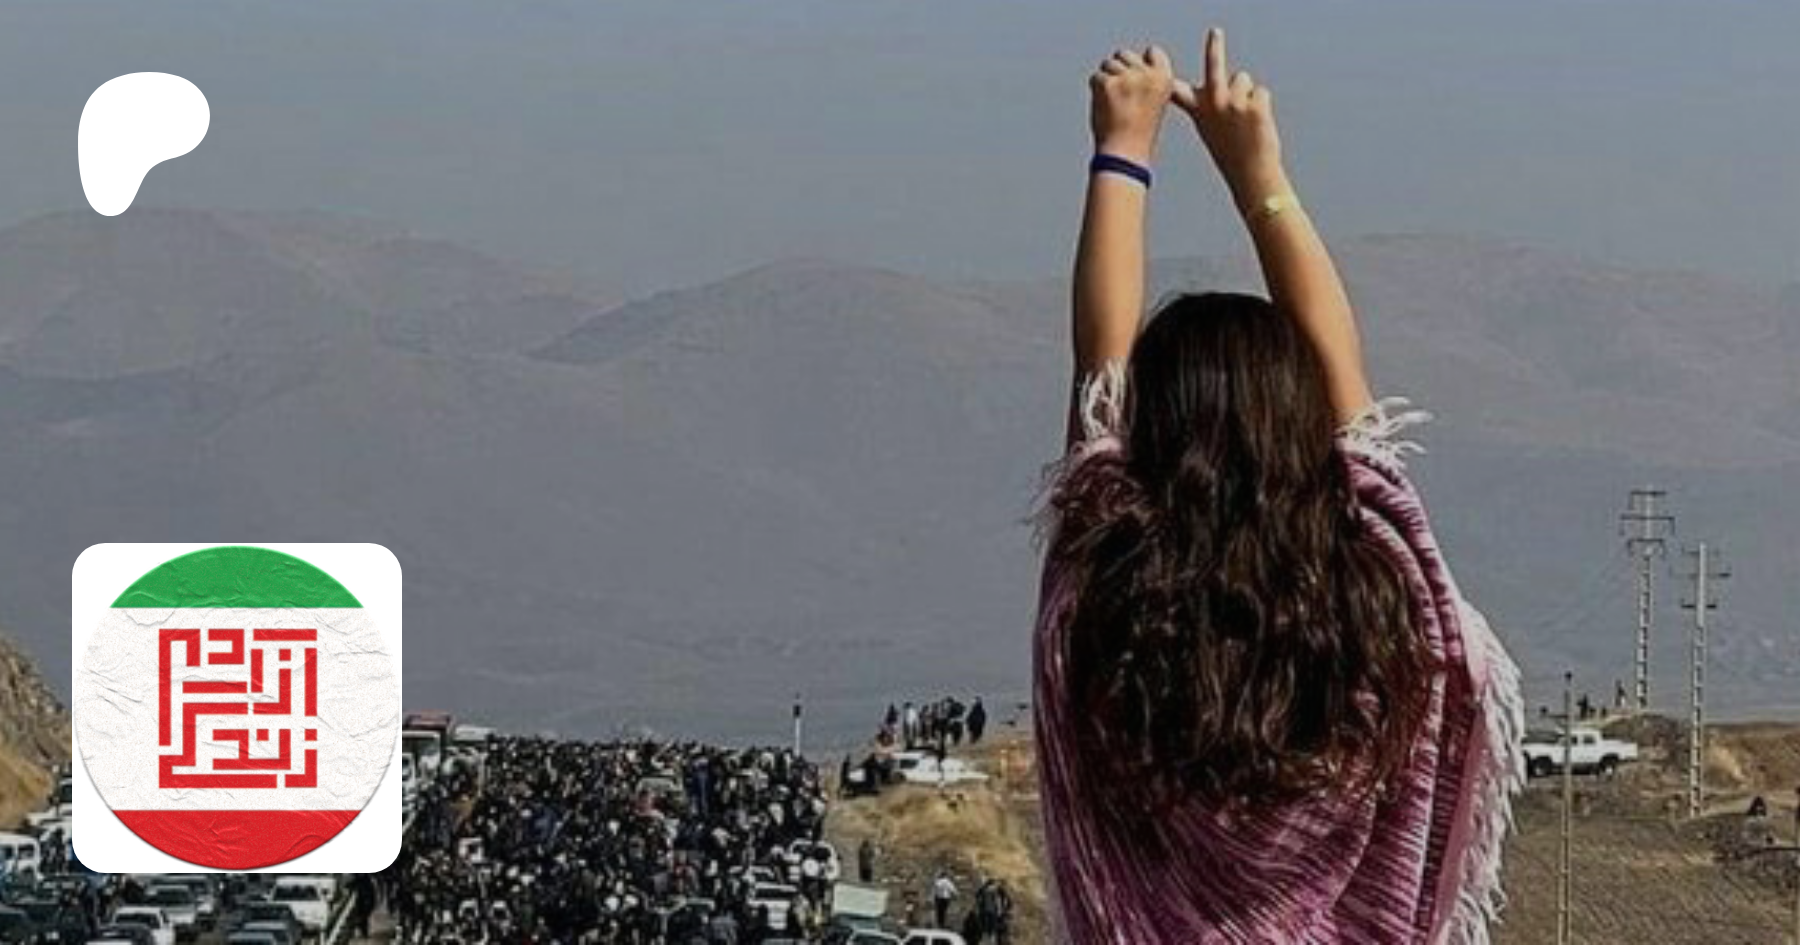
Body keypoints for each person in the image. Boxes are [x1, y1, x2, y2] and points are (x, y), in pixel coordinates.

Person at [1033, 26, 1523, 944]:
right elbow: (1351, 396)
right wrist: (1259, 175)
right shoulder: (1379, 597)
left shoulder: (1105, 601)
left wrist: (1122, 151)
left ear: (1151, 433)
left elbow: (1099, 368)